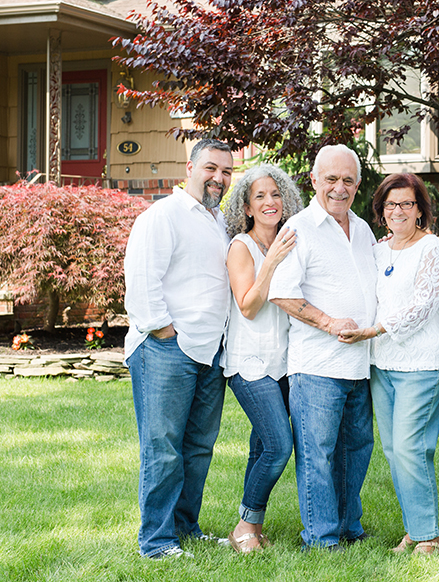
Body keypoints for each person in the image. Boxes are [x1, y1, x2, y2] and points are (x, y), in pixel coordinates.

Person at [123, 138, 234, 559]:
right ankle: (156, 541)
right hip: (166, 349)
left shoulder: (219, 220)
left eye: (226, 171)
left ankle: (186, 528)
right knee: (163, 447)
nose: (219, 178)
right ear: (189, 167)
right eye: (211, 168)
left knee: (198, 447)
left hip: (209, 352)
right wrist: (165, 333)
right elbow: (142, 281)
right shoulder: (163, 216)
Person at [269, 144, 378, 550]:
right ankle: (321, 537)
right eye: (331, 179)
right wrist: (330, 322)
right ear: (314, 180)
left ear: (358, 184)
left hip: (359, 365)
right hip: (316, 366)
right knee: (318, 455)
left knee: (356, 451)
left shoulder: (363, 228)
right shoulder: (299, 227)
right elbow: (280, 292)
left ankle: (349, 526)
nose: (339, 187)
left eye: (348, 180)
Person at [339, 173, 439, 555]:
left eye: (406, 203)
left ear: (420, 209)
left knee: (409, 448)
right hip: (381, 364)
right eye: (390, 204)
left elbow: (424, 305)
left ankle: (428, 536)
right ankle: (415, 529)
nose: (398, 210)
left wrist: (374, 330)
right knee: (393, 451)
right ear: (381, 211)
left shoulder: (431, 247)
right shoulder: (379, 250)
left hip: (421, 363)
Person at [221, 164, 304, 553]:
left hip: (286, 362)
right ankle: (245, 525)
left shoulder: (291, 242)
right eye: (260, 197)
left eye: (276, 194)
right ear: (248, 207)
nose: (270, 202)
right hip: (250, 364)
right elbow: (249, 307)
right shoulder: (242, 247)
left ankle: (252, 529)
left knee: (261, 448)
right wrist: (270, 262)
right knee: (278, 446)